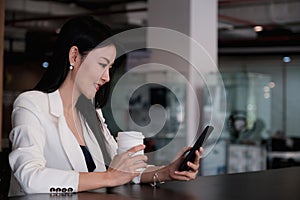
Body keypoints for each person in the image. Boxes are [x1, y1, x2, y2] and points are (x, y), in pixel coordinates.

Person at [8, 16, 203, 196]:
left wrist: (166, 172)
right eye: (102, 64)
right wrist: (109, 176)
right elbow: (30, 178)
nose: (107, 77)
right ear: (74, 56)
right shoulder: (31, 104)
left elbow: (121, 171)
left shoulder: (91, 112)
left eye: (109, 68)